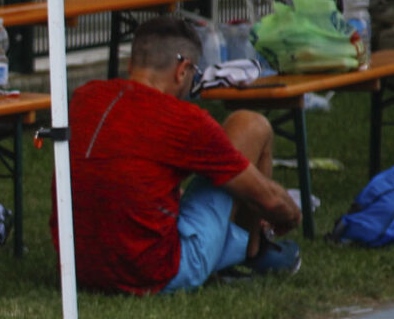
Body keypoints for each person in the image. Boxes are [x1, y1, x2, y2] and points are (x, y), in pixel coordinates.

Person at [64, 15, 301, 294]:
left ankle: (244, 247)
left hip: (79, 267)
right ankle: (254, 250)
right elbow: (270, 200)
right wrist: (292, 216)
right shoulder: (182, 119)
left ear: (131, 63)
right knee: (253, 125)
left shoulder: (84, 97)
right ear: (182, 70)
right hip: (154, 274)